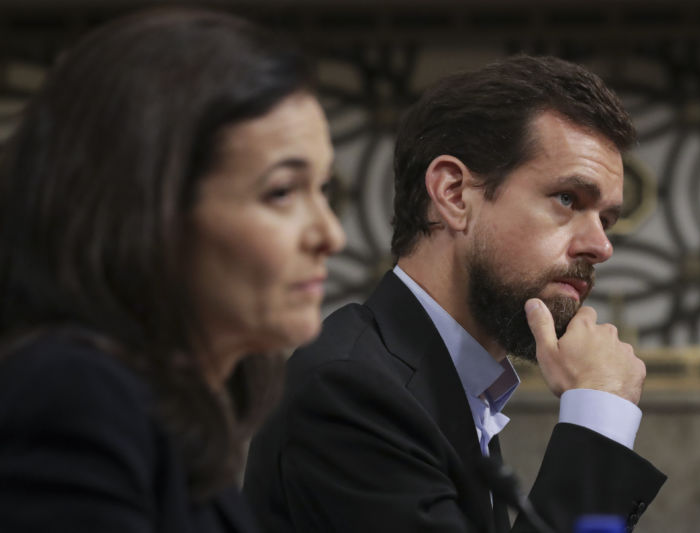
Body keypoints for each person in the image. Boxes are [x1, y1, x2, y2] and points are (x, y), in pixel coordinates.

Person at [243, 55, 666, 533]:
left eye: (606, 220)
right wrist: (598, 415)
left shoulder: (451, 381)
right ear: (455, 194)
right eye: (568, 199)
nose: (602, 246)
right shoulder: (350, 389)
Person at [0, 8, 344, 533]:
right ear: (145, 209)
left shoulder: (189, 410)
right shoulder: (73, 393)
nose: (330, 235)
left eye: (323, 189)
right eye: (281, 192)